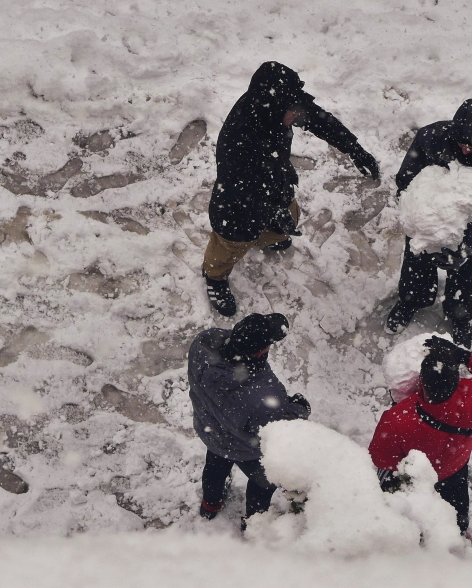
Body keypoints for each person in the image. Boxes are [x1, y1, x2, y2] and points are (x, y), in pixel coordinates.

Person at [203, 61, 381, 316]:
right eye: (293, 111)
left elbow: (320, 120)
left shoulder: (278, 103)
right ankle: (215, 277)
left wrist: (354, 149)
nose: (297, 115)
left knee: (285, 222)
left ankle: (268, 235)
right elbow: (244, 191)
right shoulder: (240, 140)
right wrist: (273, 209)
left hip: (275, 182)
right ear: (275, 108)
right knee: (231, 244)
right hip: (237, 207)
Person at [386, 99, 472, 345]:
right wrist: (420, 215)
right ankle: (411, 301)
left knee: (465, 282)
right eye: (461, 143)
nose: (466, 149)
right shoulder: (431, 138)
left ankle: (460, 317)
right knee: (415, 269)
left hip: (471, 236)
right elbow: (405, 179)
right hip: (426, 225)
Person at [368, 336, 472, 533]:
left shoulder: (397, 419)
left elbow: (381, 460)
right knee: (457, 506)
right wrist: (463, 355)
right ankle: (459, 529)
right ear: (457, 380)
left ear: (420, 381)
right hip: (454, 467)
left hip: (418, 476)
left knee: (409, 511)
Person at [187, 312, 312, 522]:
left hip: (213, 431)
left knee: (215, 469)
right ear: (258, 353)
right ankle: (254, 522)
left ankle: (211, 504)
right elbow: (279, 425)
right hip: (248, 449)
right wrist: (299, 409)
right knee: (264, 484)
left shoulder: (204, 344)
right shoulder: (261, 397)